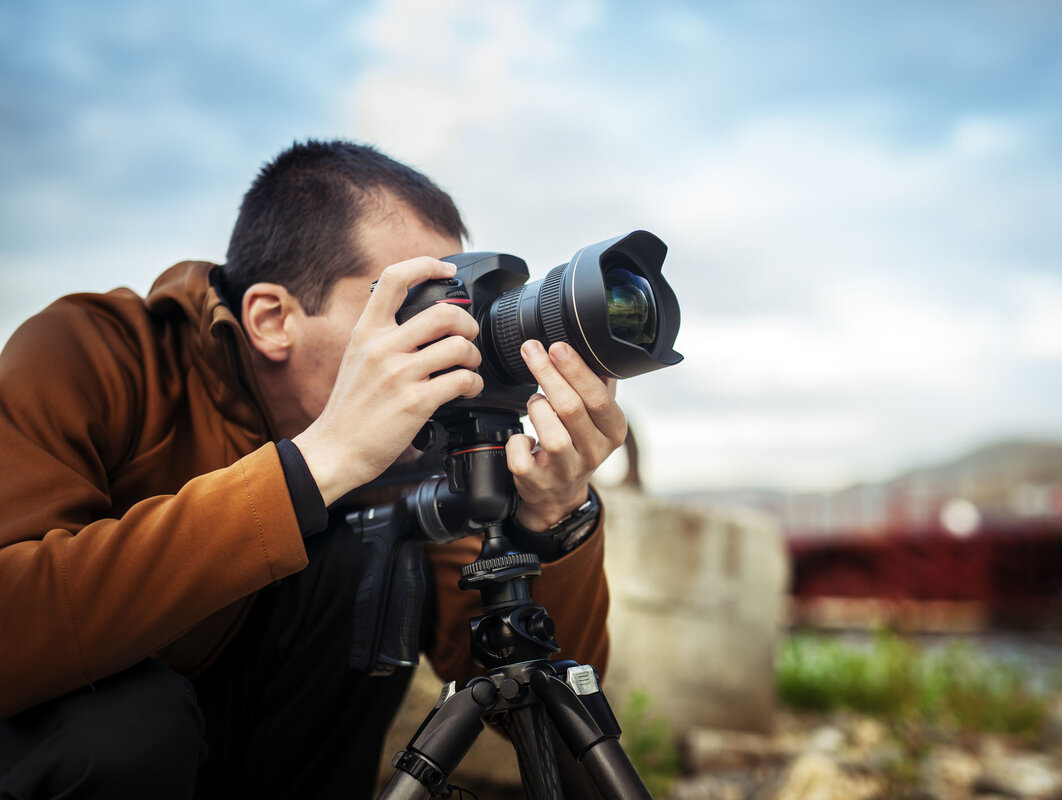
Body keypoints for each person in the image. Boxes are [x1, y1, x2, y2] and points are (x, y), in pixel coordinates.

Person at [0, 140, 622, 798]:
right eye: (411, 304)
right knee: (130, 726)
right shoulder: (94, 352)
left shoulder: (414, 449)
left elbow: (546, 727)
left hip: (267, 755)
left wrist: (553, 526)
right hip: (86, 758)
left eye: (455, 302)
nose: (446, 337)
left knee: (369, 549)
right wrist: (317, 462)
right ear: (272, 320)